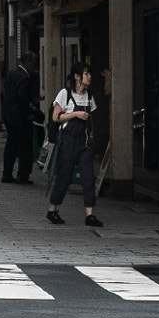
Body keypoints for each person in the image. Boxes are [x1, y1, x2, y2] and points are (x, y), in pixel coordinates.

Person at [45, 64, 103, 227]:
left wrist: (91, 136)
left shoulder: (89, 95)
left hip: (83, 141)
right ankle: (52, 209)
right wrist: (75, 114)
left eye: (89, 73)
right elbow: (56, 117)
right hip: (68, 140)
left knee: (87, 177)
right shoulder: (65, 94)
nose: (89, 76)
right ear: (77, 76)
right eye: (86, 73)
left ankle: (90, 214)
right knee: (64, 175)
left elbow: (90, 119)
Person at [0, 50, 38, 184]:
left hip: (9, 115)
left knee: (11, 145)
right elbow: (22, 98)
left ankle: (7, 174)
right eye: (33, 63)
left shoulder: (11, 74)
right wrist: (31, 111)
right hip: (21, 118)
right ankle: (23, 175)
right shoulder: (25, 77)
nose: (34, 66)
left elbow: (5, 92)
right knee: (25, 146)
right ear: (27, 62)